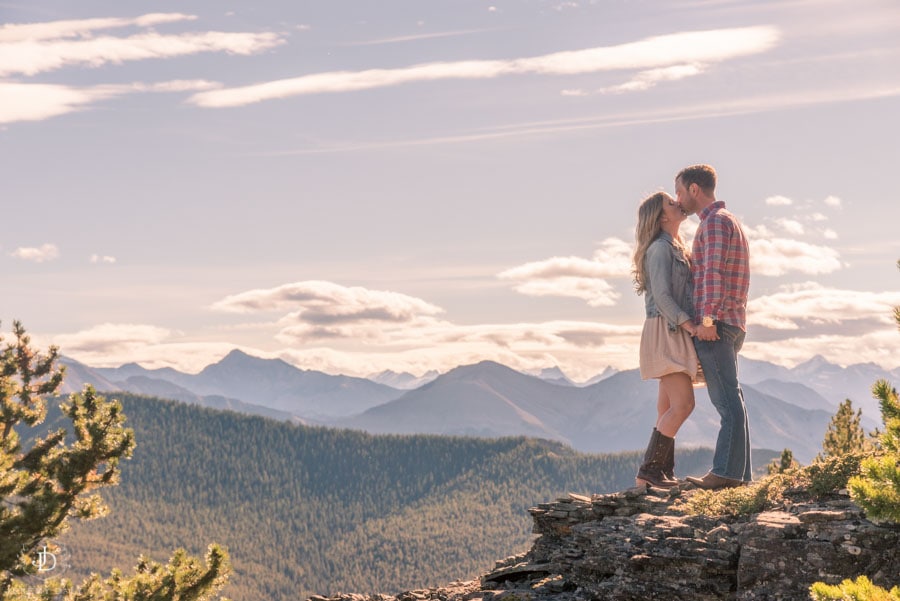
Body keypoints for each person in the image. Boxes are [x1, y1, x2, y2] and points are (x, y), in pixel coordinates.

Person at [675, 164, 751, 490]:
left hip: (716, 325)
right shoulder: (728, 221)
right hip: (731, 322)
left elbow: (713, 275)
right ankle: (739, 475)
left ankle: (725, 474)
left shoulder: (714, 224)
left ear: (694, 189)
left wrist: (706, 320)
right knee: (733, 399)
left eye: (679, 191)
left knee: (725, 401)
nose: (678, 200)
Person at [632, 191, 699, 488]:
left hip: (670, 330)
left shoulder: (675, 246)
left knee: (666, 407)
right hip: (667, 330)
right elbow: (661, 295)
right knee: (683, 405)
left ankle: (661, 473)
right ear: (662, 217)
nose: (678, 204)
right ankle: (650, 470)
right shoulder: (660, 249)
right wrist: (690, 325)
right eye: (671, 204)